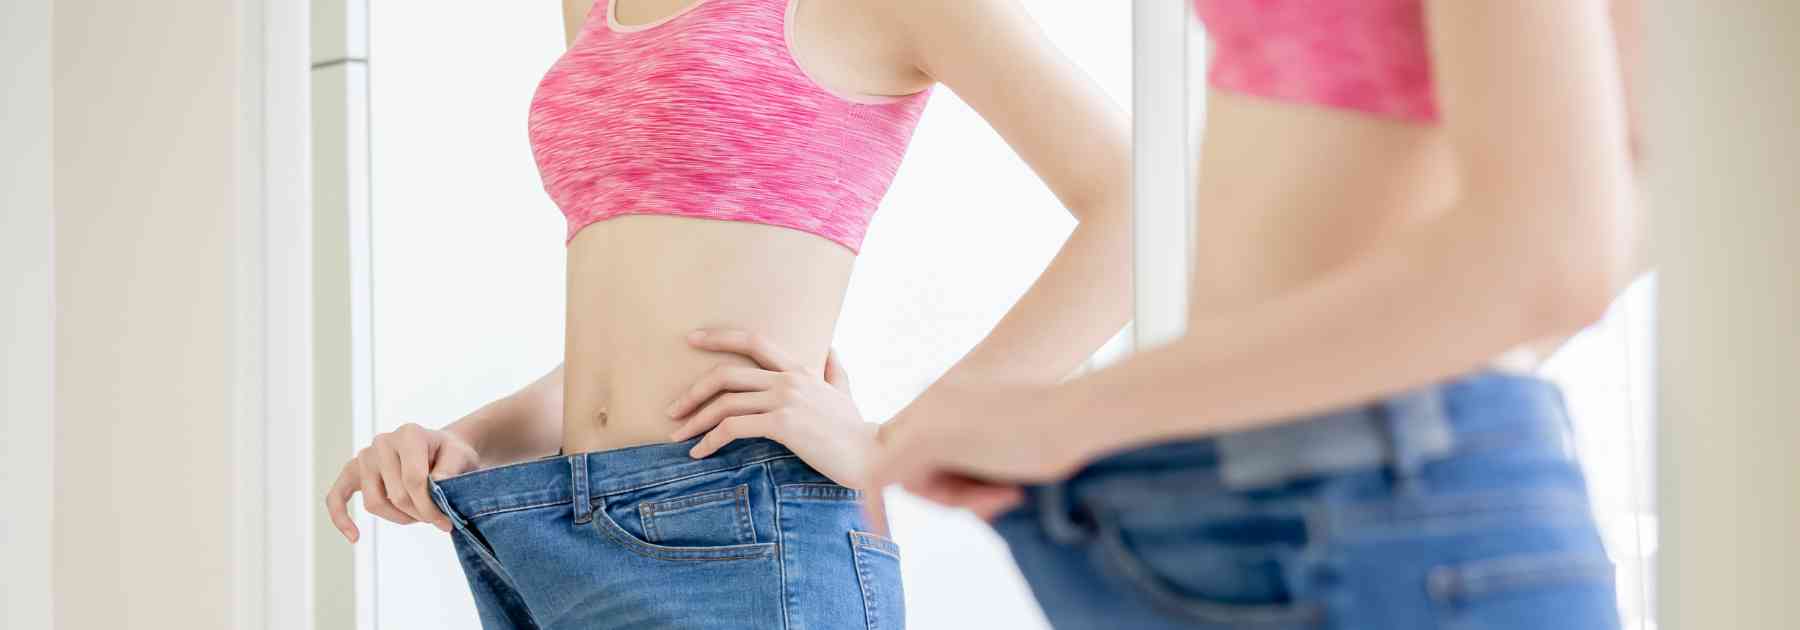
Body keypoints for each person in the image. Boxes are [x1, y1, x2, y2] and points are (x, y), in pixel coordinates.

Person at [320, 0, 1131, 628]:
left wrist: (899, 443)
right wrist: (472, 438)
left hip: (742, 530)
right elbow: (654, 323)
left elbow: (1143, 206)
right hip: (554, 533)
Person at [872, 1, 1646, 628]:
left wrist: (1060, 420)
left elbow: (1549, 254)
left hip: (1389, 519)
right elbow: (1638, 162)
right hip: (1281, 497)